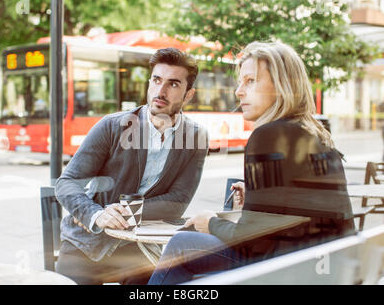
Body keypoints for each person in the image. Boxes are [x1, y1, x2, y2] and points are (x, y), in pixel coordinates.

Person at [148, 41, 355, 285]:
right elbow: (306, 213)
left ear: (281, 87)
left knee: (182, 244)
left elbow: (253, 244)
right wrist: (260, 198)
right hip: (327, 270)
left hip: (289, 272)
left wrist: (210, 222)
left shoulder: (268, 135)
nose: (238, 91)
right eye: (240, 82)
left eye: (251, 81)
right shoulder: (316, 135)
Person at [55, 47, 209, 285]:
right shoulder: (112, 126)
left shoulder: (195, 137)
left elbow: (178, 201)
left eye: (174, 84)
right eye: (156, 80)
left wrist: (124, 211)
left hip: (137, 248)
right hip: (86, 243)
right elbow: (67, 183)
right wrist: (97, 213)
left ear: (189, 94)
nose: (161, 90)